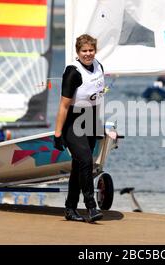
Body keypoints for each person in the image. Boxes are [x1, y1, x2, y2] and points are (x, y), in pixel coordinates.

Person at [53, 34, 105, 222]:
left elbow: (97, 98)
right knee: (85, 160)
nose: (88, 54)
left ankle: (70, 208)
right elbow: (63, 106)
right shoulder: (73, 72)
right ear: (78, 52)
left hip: (90, 121)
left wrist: (99, 125)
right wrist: (58, 134)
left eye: (91, 50)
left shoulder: (99, 66)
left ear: (95, 50)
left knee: (79, 167)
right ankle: (91, 206)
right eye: (84, 51)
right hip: (73, 122)